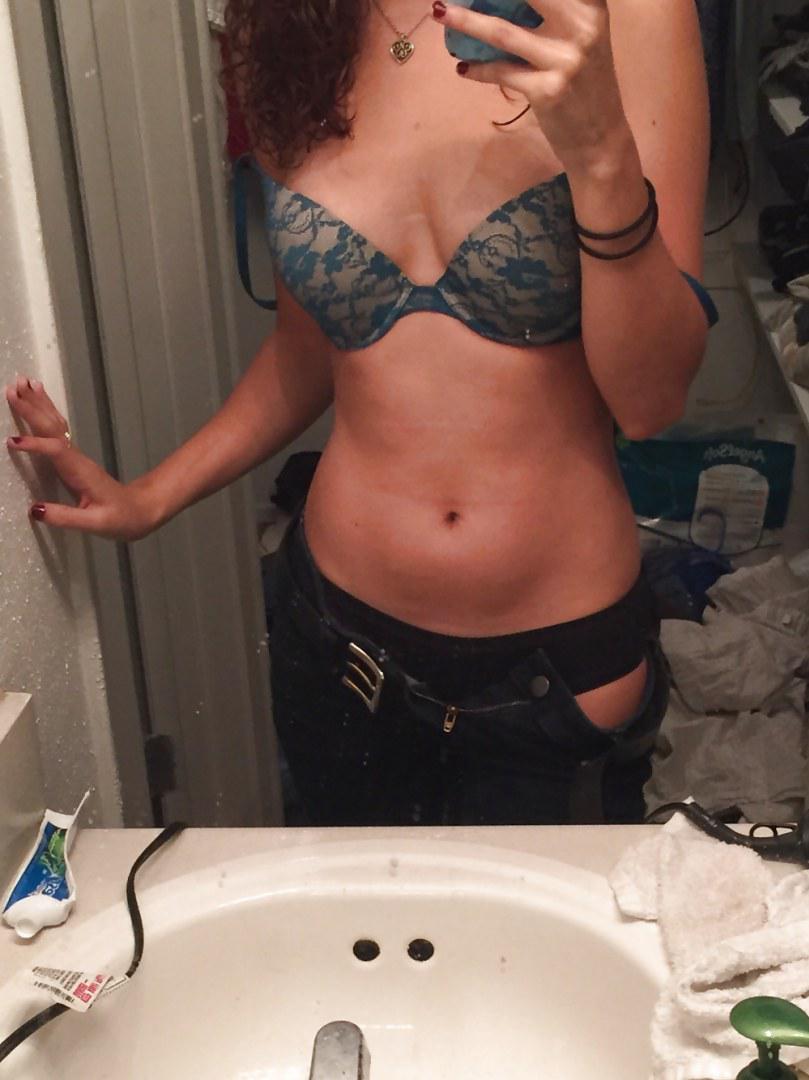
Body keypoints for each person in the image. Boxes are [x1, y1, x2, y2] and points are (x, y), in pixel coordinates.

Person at [5, 0, 719, 827]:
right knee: (345, 913)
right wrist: (149, 498)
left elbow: (651, 399)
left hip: (556, 678)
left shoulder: (627, 13)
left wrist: (601, 157)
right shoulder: (283, 23)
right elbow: (307, 349)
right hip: (336, 645)